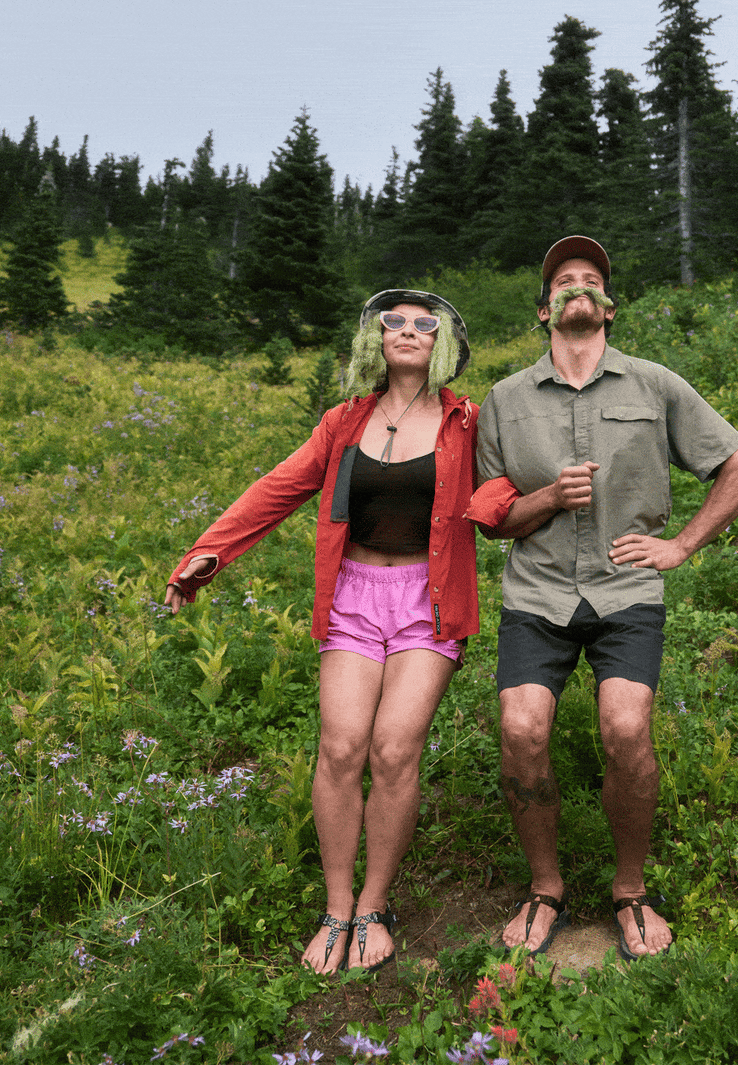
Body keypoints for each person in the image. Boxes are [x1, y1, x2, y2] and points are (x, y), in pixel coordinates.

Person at [164, 290, 481, 974]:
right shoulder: (343, 423)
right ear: (372, 339)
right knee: (341, 747)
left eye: (424, 323)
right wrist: (207, 553)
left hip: (428, 601)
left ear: (446, 343)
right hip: (354, 599)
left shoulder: (468, 423)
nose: (406, 330)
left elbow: (516, 483)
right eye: (390, 320)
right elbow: (276, 488)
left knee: (394, 749)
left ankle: (374, 904)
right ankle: (337, 905)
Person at [466, 236, 738, 960]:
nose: (578, 286)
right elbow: (489, 517)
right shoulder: (503, 400)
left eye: (591, 280)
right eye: (563, 280)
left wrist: (680, 545)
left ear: (609, 306)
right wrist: (545, 497)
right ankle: (546, 887)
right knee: (522, 729)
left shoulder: (656, 385)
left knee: (627, 727)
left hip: (627, 585)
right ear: (544, 311)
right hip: (536, 592)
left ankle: (630, 889)